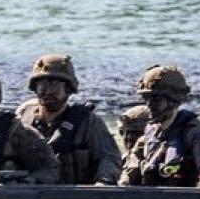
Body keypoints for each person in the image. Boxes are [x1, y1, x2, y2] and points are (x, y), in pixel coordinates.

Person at [15, 53, 121, 185]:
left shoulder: (88, 123)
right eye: (42, 85)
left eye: (55, 86)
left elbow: (109, 157)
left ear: (68, 89)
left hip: (74, 197)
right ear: (35, 88)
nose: (48, 92)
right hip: (31, 194)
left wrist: (104, 181)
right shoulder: (23, 120)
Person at [118, 64, 200, 188]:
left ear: (173, 101)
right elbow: (131, 168)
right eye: (146, 98)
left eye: (156, 99)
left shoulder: (196, 134)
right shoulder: (148, 136)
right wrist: (123, 184)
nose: (149, 105)